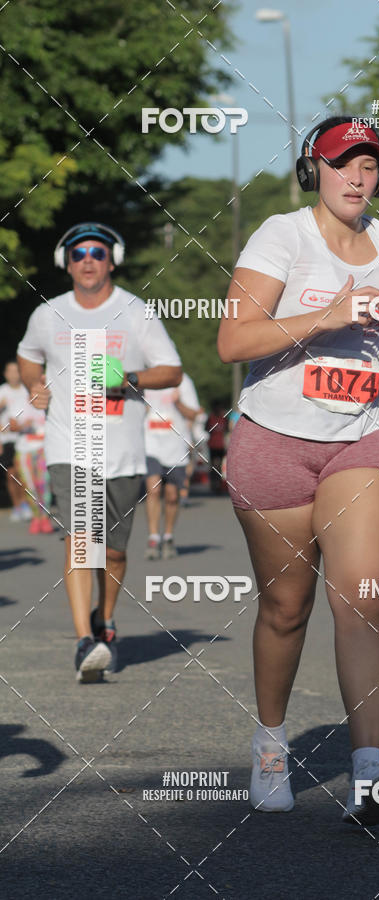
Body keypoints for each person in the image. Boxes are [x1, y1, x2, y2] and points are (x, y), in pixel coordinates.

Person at [217, 116, 379, 825]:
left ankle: (370, 767)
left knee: (362, 598)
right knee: (284, 609)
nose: (360, 179)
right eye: (344, 165)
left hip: (359, 440)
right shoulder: (283, 234)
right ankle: (271, 743)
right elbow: (233, 339)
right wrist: (329, 314)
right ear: (314, 170)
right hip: (274, 441)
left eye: (371, 166)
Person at [17, 222, 182, 682]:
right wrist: (34, 383)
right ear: (66, 262)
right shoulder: (48, 314)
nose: (87, 260)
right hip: (68, 443)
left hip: (123, 451)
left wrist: (129, 378)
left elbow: (170, 371)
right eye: (78, 253)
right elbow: (28, 355)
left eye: (97, 252)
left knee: (112, 554)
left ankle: (104, 620)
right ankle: (83, 642)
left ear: (112, 259)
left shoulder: (135, 311)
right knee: (79, 540)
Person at [143, 372, 200, 559]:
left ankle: (167, 536)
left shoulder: (183, 381)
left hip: (175, 448)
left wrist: (178, 403)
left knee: (172, 496)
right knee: (153, 489)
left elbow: (194, 413)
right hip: (150, 444)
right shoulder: (145, 378)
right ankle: (153, 537)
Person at [11, 399, 53, 534]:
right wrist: (23, 426)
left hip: (44, 449)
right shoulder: (19, 404)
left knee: (43, 484)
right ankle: (36, 517)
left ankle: (45, 518)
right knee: (30, 486)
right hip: (24, 451)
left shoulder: (48, 401)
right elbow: (11, 427)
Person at [0, 361, 32, 522]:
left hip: (23, 438)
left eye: (16, 371)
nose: (13, 375)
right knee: (11, 474)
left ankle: (26, 504)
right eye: (10, 371)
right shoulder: (2, 391)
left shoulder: (26, 391)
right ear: (6, 374)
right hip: (6, 439)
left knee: (23, 472)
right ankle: (17, 506)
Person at [206, 402, 228, 493]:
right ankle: (213, 483)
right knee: (213, 465)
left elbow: (227, 430)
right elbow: (206, 428)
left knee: (218, 465)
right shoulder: (210, 418)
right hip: (212, 445)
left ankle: (218, 483)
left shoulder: (224, 418)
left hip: (221, 445)